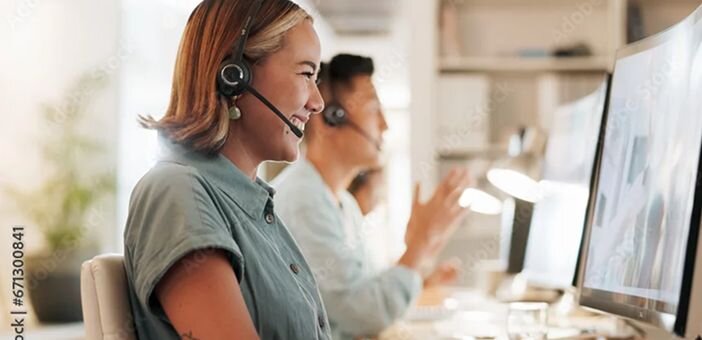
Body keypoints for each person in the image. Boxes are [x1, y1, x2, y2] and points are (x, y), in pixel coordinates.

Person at [122, 1, 332, 339]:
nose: (318, 101)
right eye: (307, 73)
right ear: (233, 76)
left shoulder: (252, 207)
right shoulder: (175, 192)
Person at [273, 54, 471, 339]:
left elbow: (362, 291)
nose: (385, 125)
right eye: (374, 109)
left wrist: (422, 258)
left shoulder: (343, 203)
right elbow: (364, 315)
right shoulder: (304, 201)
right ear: (331, 118)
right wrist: (419, 245)